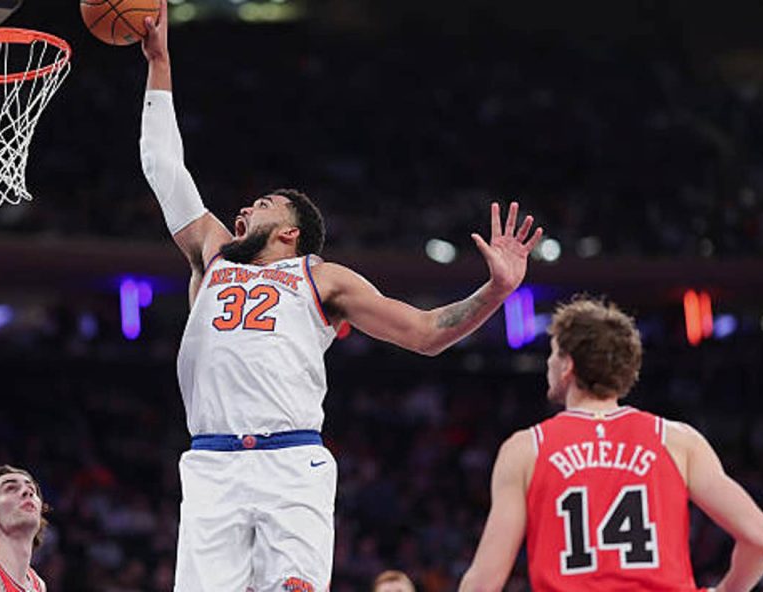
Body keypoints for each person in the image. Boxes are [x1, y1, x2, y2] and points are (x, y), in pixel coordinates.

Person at [137, 1, 543, 589]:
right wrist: (159, 62)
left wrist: (497, 290)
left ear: (290, 232)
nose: (244, 208)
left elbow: (426, 335)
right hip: (211, 462)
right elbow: (162, 165)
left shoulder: (323, 277)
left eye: (263, 205)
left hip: (291, 462)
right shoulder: (213, 254)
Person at [458, 297, 763, 592]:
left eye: (554, 352)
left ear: (568, 365)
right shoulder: (678, 441)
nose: (548, 364)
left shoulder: (526, 449)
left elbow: (485, 581)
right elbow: (761, 540)